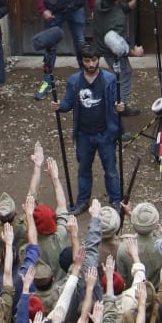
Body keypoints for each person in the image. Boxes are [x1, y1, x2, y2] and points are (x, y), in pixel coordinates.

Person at [51, 44, 124, 213]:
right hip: (83, 134)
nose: (91, 64)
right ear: (82, 61)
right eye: (87, 61)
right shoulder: (74, 81)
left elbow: (116, 101)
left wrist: (120, 106)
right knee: (83, 169)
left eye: (94, 60)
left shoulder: (109, 79)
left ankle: (116, 201)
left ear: (98, 60)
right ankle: (82, 201)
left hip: (105, 133)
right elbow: (68, 103)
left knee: (111, 170)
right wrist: (59, 106)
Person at [91, 0, 144, 115]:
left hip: (102, 46)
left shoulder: (101, 2)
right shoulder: (117, 20)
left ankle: (116, 104)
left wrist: (136, 1)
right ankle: (118, 108)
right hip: (112, 52)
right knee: (124, 76)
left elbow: (123, 8)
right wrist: (134, 52)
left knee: (116, 77)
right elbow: (118, 46)